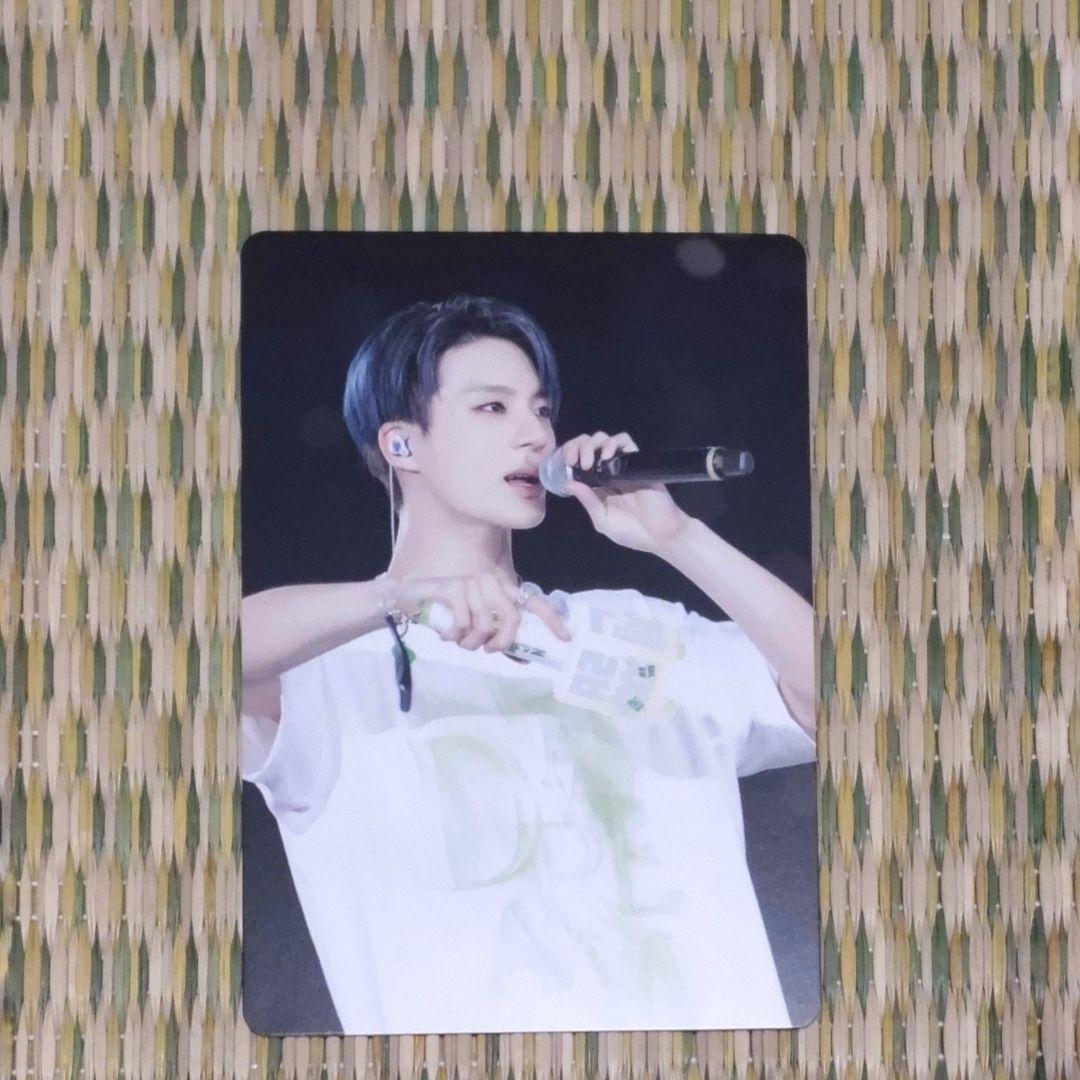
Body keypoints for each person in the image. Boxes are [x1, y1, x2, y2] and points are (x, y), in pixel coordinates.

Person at [240, 294, 817, 1034]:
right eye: (493, 408)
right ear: (401, 443)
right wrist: (396, 598)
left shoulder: (634, 630)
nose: (536, 433)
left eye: (541, 409)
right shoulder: (331, 666)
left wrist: (678, 536)